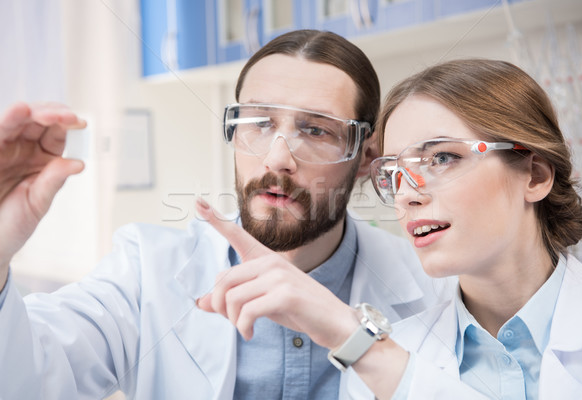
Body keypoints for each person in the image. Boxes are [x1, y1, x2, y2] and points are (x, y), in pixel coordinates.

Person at [0, 30, 443, 399]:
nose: (277, 158)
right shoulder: (145, 270)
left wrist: (356, 338)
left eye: (315, 129)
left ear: (366, 157)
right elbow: (28, 381)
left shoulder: (431, 287)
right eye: (259, 122)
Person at [195, 58, 582, 400]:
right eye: (394, 172)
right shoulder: (381, 363)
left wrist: (365, 346)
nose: (407, 194)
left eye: (442, 158)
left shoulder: (378, 357)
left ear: (535, 176)